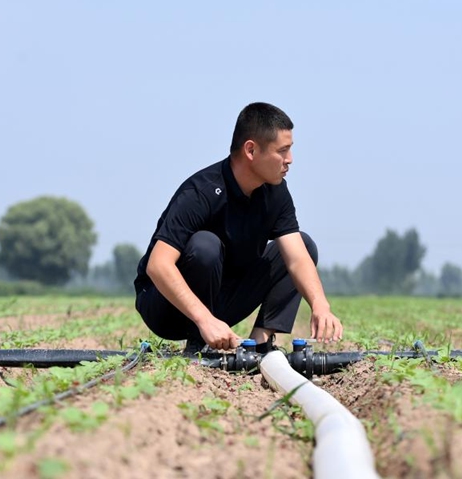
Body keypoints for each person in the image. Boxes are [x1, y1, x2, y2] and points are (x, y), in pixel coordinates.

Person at [134, 102, 344, 354]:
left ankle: (260, 342)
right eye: (283, 150)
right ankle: (197, 343)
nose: (290, 160)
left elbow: (298, 258)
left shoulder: (276, 192)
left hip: (221, 303)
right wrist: (204, 320)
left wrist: (320, 305)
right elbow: (158, 265)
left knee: (304, 244)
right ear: (251, 150)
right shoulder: (201, 191)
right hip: (167, 308)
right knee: (205, 245)